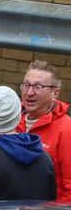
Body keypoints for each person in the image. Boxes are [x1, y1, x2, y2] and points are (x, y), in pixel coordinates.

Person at [17, 60, 70, 202]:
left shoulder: (66, 129)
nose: (29, 92)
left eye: (38, 87)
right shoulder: (13, 119)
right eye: (26, 85)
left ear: (55, 92)